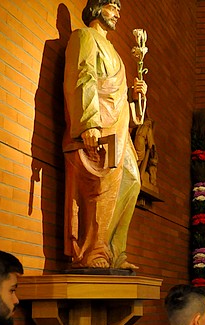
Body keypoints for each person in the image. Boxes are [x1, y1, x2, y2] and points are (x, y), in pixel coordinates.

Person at [63, 0, 144, 270]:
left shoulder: (115, 52)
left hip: (118, 125)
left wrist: (136, 97)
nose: (117, 13)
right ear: (97, 7)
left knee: (131, 181)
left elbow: (117, 97)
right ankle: (93, 251)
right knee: (101, 187)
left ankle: (115, 250)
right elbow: (82, 77)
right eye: (112, 6)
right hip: (100, 125)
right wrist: (88, 122)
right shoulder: (84, 37)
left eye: (119, 8)